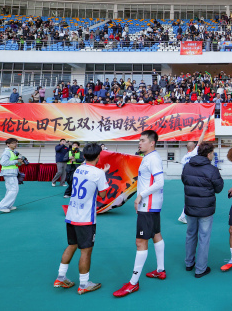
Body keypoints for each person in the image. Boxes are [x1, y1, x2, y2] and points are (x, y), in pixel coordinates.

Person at [113, 130, 166, 297]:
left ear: (152, 142)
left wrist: (141, 196)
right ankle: (160, 270)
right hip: (152, 204)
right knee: (156, 234)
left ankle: (133, 283)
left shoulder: (153, 159)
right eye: (139, 140)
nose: (139, 143)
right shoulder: (148, 157)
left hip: (148, 205)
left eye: (143, 140)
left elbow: (160, 182)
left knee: (140, 242)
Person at [54, 143, 110, 294]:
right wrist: (103, 175)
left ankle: (60, 277)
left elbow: (89, 172)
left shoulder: (79, 168)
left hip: (72, 214)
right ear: (98, 156)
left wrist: (101, 172)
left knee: (71, 245)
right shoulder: (98, 174)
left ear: (84, 156)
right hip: (85, 218)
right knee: (86, 251)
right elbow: (103, 195)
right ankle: (84, 284)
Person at [182, 142, 224, 278]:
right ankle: (200, 269)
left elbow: (184, 181)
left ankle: (189, 263)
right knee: (204, 238)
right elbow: (219, 188)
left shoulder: (187, 166)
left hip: (190, 206)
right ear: (209, 154)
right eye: (212, 153)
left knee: (190, 234)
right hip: (205, 209)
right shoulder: (212, 170)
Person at [178, 120, 210, 224]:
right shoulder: (194, 152)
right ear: (193, 147)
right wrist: (204, 130)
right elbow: (200, 141)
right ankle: (189, 215)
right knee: (197, 197)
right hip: (195, 179)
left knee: (190, 198)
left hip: (187, 180)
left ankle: (184, 215)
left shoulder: (183, 158)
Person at [0, 138, 23, 213]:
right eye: (13, 143)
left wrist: (19, 162)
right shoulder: (7, 152)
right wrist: (16, 161)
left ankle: (8, 205)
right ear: (8, 144)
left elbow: (13, 162)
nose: (15, 144)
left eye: (16, 143)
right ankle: (2, 206)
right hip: (9, 173)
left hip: (11, 173)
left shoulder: (13, 152)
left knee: (10, 190)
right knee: (14, 189)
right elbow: (3, 163)